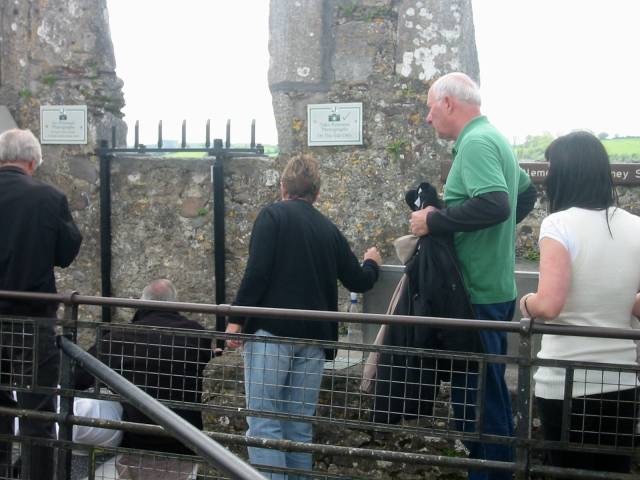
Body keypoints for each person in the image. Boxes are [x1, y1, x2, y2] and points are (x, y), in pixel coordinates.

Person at [410, 72, 536, 480]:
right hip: (490, 287)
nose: (428, 118)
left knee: (479, 405)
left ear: (448, 103)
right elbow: (524, 194)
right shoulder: (493, 138)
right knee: (484, 397)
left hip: (477, 293)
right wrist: (489, 238)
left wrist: (436, 219)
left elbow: (498, 205)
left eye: (430, 107)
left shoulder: (478, 143)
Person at [225, 153, 382, 479]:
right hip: (314, 339)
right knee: (298, 427)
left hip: (271, 333)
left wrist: (236, 320)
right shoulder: (328, 229)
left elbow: (257, 274)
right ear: (317, 193)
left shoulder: (272, 216)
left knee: (264, 421)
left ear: (283, 187)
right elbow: (358, 280)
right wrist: (373, 262)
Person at [519, 131, 640, 474]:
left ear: (563, 174)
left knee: (567, 470)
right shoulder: (635, 226)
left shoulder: (558, 224)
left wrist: (527, 302)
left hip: (565, 381)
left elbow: (550, 305)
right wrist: (619, 298)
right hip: (622, 380)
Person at [0, 128, 82, 478]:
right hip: (32, 319)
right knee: (39, 415)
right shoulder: (50, 197)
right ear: (33, 161)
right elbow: (66, 252)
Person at [74, 279, 211, 472]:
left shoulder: (120, 336)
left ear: (141, 301)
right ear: (176, 303)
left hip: (138, 440)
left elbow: (78, 377)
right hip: (189, 439)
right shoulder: (196, 333)